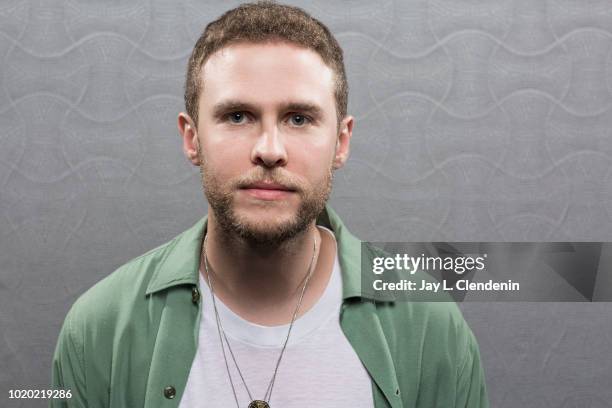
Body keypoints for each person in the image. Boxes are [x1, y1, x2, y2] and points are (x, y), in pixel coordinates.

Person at [50, 2, 489, 407]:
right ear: (191, 137)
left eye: (299, 118)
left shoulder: (432, 326)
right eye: (237, 116)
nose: (269, 149)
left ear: (341, 142)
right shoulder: (98, 330)